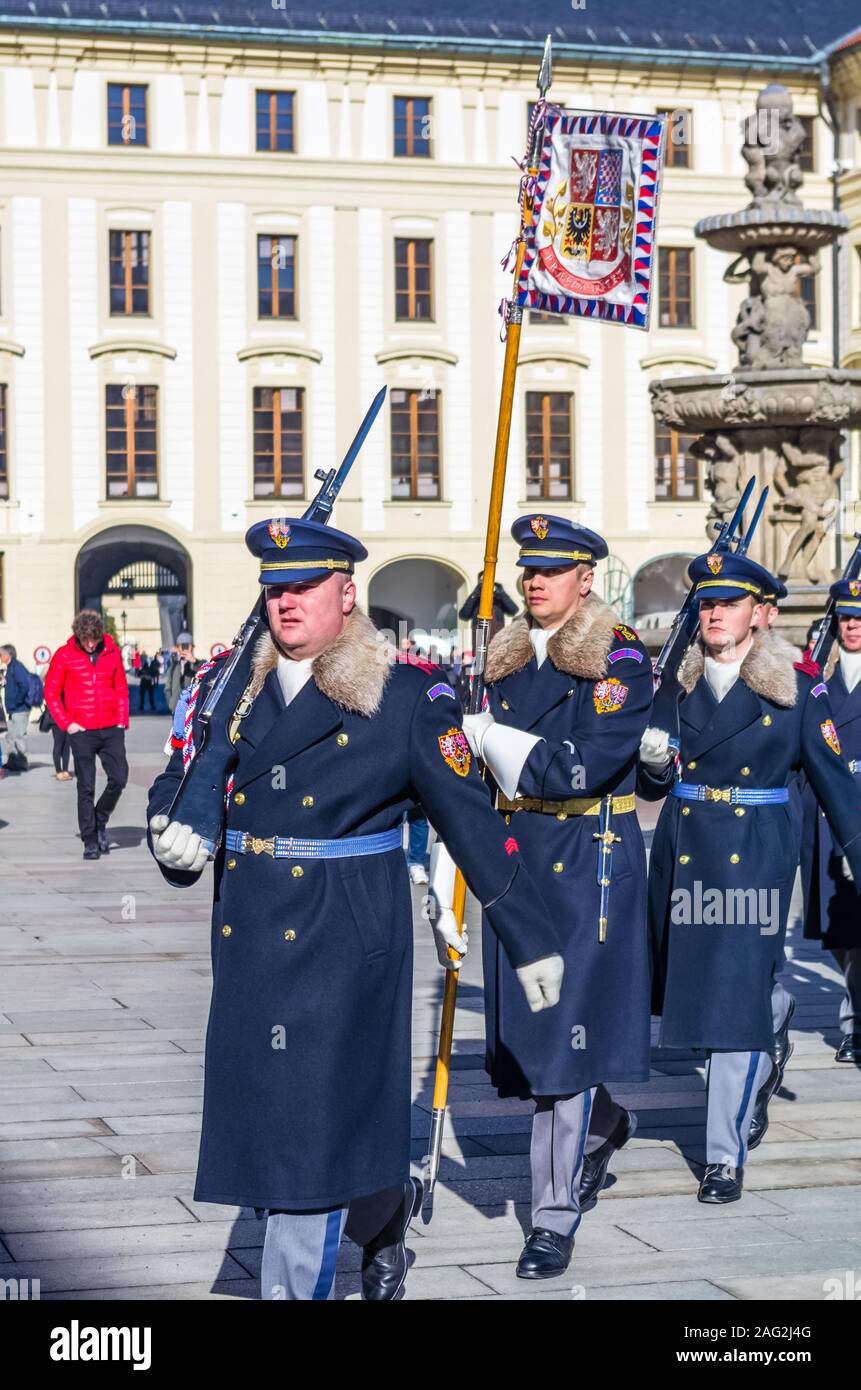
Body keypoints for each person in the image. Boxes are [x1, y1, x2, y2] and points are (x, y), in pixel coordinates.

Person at [146, 514, 565, 1302]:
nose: (287, 602)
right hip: (250, 934)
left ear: (347, 595)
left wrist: (530, 939)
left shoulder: (405, 696)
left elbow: (469, 820)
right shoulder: (227, 687)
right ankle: (383, 1208)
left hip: (345, 940)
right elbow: (183, 777)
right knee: (285, 1121)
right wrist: (169, 834)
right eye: (275, 589)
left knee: (306, 1130)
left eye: (305, 586)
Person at [451, 516, 654, 1281]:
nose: (534, 581)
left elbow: (581, 764)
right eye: (528, 569)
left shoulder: (618, 656)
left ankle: (550, 1217)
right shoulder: (501, 659)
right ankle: (604, 1123)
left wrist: (494, 743)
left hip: (583, 859)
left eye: (553, 569)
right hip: (513, 858)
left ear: (585, 579)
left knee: (562, 1037)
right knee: (533, 1043)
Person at [638, 550, 861, 1204]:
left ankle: (721, 1157)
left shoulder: (795, 686)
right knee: (703, 1000)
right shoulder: (673, 684)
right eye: (705, 603)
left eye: (728, 603)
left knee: (729, 1009)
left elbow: (833, 785)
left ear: (760, 615)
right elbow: (647, 776)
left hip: (752, 856)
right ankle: (775, 1009)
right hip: (682, 851)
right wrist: (651, 766)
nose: (713, 613)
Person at [801, 579, 861, 1064]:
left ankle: (854, 1023)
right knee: (839, 933)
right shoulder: (817, 678)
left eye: (860, 619)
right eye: (847, 618)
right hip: (824, 817)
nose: (854, 625)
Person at [44, 610, 129, 860]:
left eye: (94, 639)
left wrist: (122, 720)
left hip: (111, 728)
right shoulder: (64, 655)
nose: (90, 644)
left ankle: (99, 820)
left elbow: (121, 688)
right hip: (81, 730)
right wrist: (67, 723)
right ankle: (90, 840)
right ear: (78, 636)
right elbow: (51, 693)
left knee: (119, 778)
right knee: (86, 787)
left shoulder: (111, 652)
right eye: (86, 640)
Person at [0, 645, 34, 773]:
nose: (0, 657)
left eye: (1, 654)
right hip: (13, 710)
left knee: (19, 736)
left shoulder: (17, 667)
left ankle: (22, 763)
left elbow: (24, 686)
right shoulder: (9, 667)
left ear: (8, 655)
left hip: (20, 709)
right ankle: (12, 761)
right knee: (10, 736)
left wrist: (16, 702)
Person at [166, 633, 201, 714]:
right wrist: (171, 704)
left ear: (192, 647)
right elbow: (168, 687)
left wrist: (194, 662)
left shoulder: (199, 664)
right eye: (182, 646)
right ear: (177, 648)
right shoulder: (173, 666)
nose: (184, 648)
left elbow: (206, 676)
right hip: (176, 708)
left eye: (187, 645)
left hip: (193, 709)